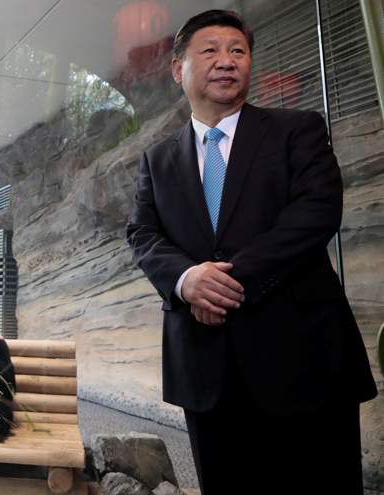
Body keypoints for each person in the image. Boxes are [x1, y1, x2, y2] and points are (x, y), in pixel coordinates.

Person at [126, 10, 376, 494]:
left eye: (238, 51)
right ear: (178, 70)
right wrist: (185, 281)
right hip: (205, 370)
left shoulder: (297, 130)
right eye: (211, 50)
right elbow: (142, 233)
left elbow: (316, 213)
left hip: (304, 362)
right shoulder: (157, 160)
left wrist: (220, 282)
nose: (227, 61)